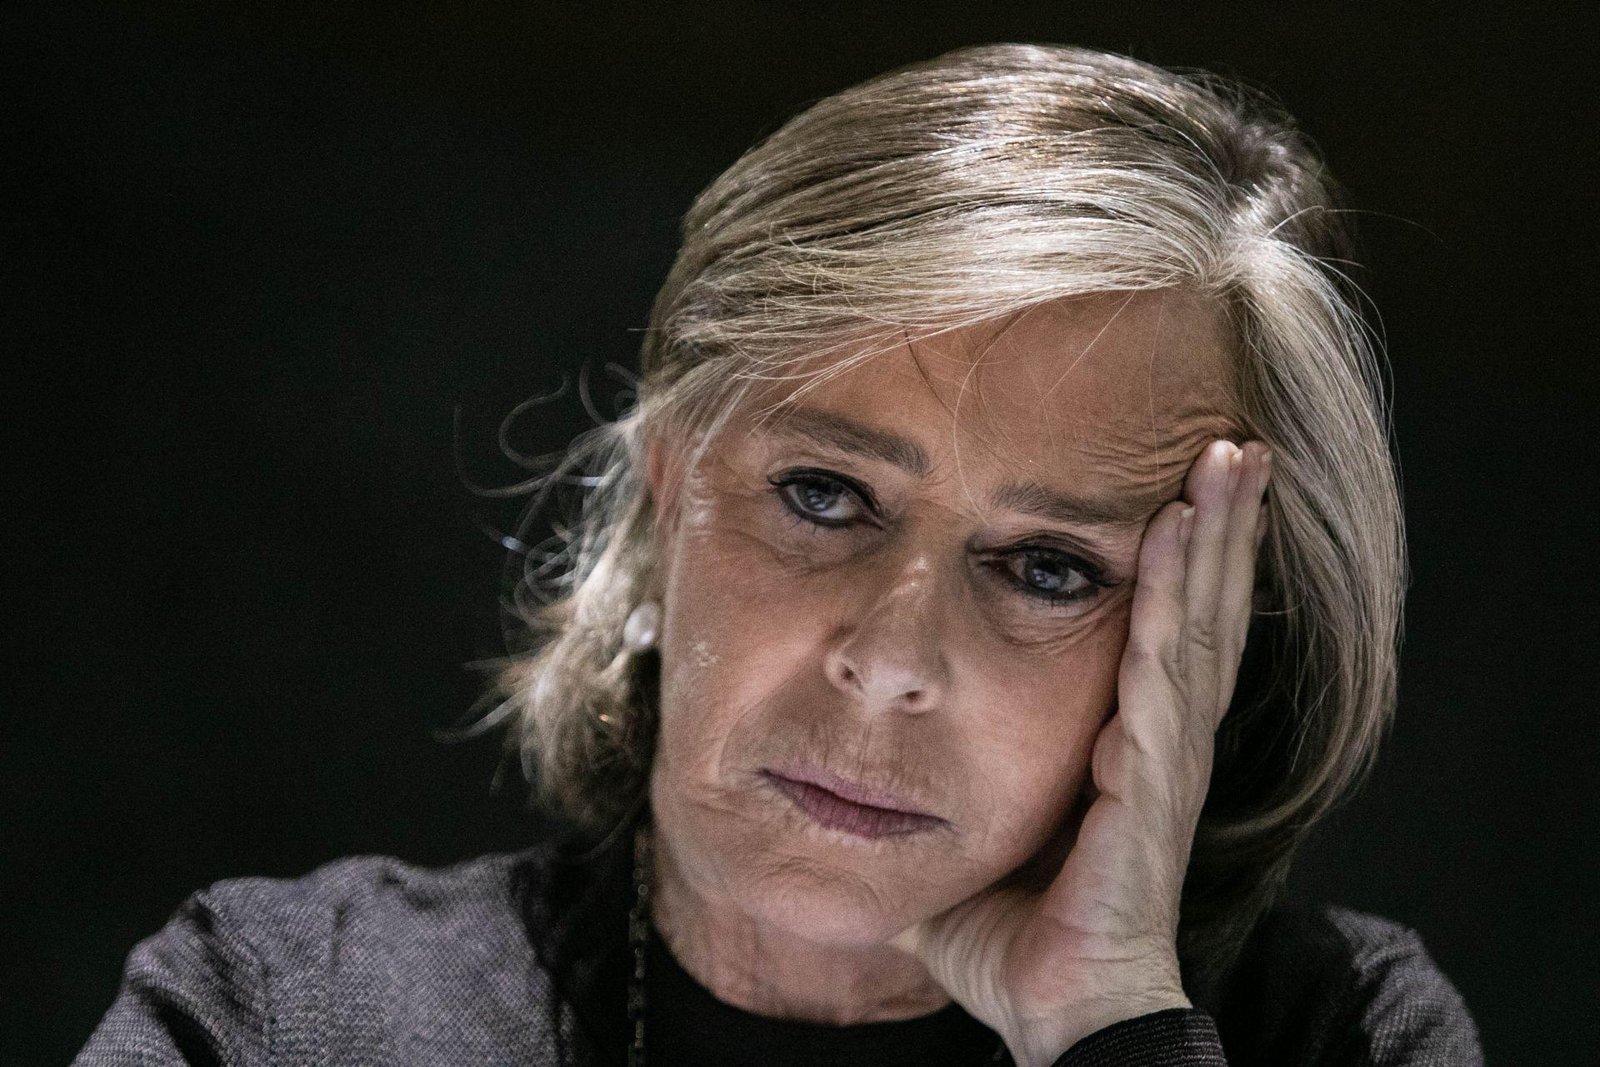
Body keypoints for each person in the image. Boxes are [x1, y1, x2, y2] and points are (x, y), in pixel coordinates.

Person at [73, 42, 1484, 1066]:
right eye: (823, 494)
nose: (889, 659)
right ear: (668, 482)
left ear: (1210, 635)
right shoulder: (279, 1011)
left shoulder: (1340, 1033)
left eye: (1049, 567)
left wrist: (1112, 1024)